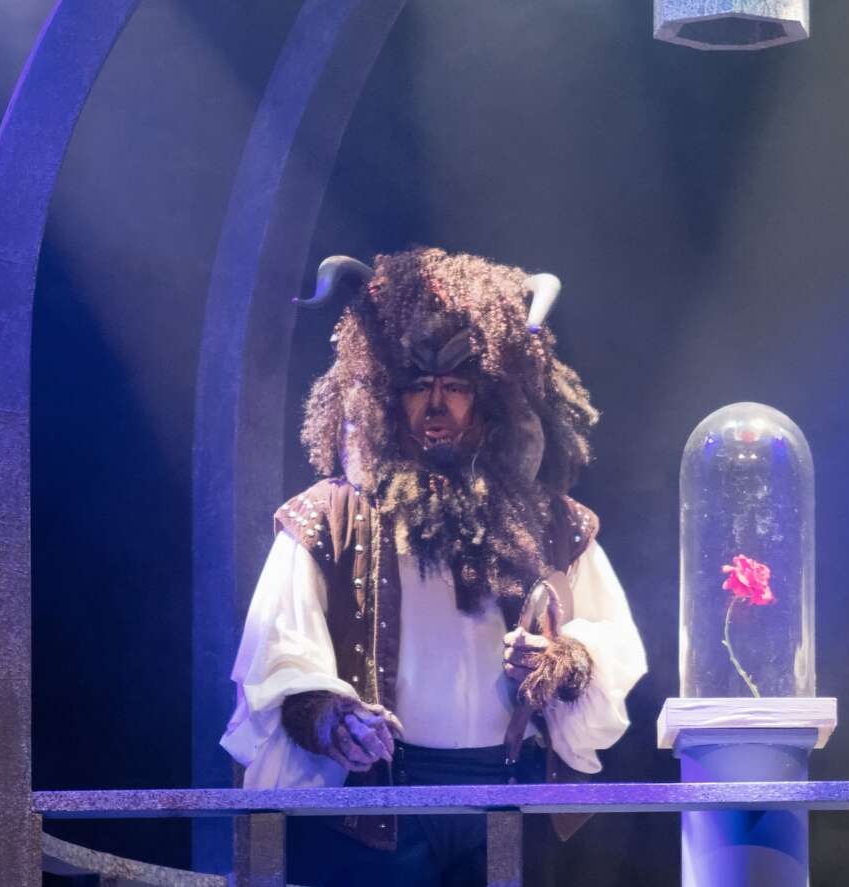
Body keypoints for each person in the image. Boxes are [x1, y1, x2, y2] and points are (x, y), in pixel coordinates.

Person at [220, 247, 647, 887]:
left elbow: (614, 643)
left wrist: (565, 661)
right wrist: (330, 714)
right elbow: (277, 653)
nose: (437, 405)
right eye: (419, 386)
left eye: (456, 387)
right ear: (388, 396)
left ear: (491, 398)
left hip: (511, 797)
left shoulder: (553, 521)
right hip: (383, 807)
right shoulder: (331, 516)